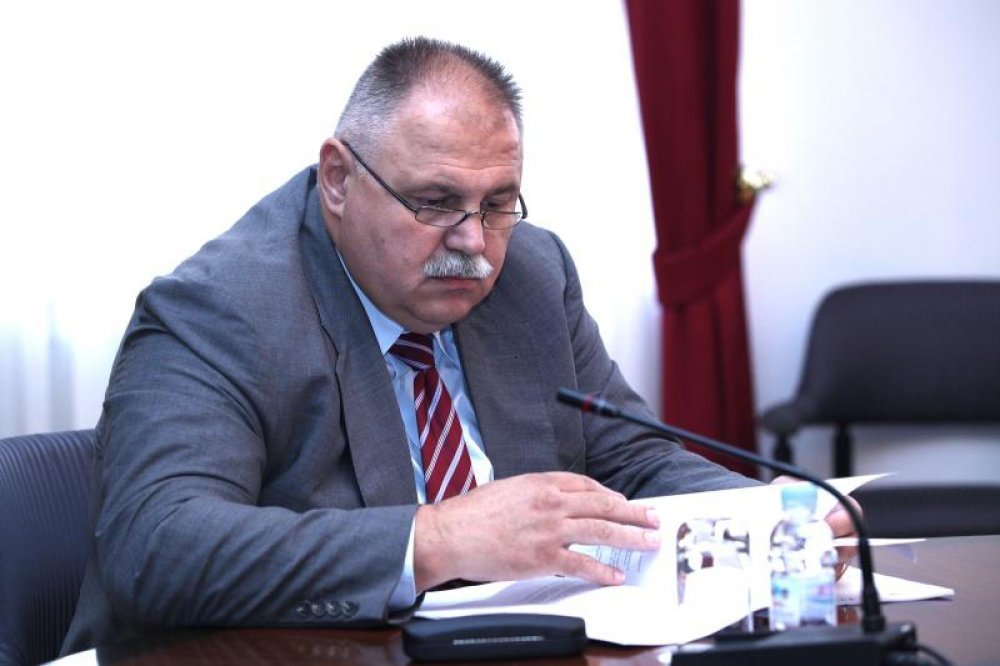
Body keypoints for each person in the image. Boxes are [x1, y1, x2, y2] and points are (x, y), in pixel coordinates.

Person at [62, 36, 853, 655]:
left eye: (498, 202)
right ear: (338, 179)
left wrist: (772, 520)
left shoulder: (531, 272)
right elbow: (156, 549)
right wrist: (438, 539)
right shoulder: (222, 308)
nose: (473, 244)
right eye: (435, 202)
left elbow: (633, 461)